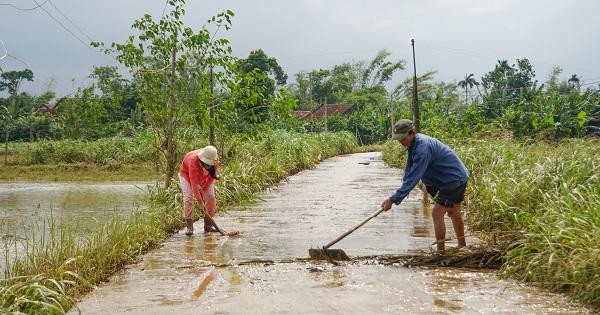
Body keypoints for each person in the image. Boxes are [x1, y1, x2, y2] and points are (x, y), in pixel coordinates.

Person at [381, 119, 469, 251]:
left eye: (402, 138)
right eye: (399, 139)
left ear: (412, 133)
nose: (400, 142)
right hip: (452, 178)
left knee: (437, 213)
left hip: (452, 180)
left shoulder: (422, 147)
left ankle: (440, 252)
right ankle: (462, 246)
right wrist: (401, 191)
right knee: (454, 213)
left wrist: (393, 199)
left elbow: (414, 176)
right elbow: (409, 170)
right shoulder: (413, 145)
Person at [179, 145, 220, 235]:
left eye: (210, 165)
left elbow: (211, 177)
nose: (207, 166)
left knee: (211, 197)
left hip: (204, 176)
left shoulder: (215, 160)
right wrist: (200, 202)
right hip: (186, 174)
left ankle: (208, 226)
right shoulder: (192, 160)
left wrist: (204, 188)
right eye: (205, 164)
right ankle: (189, 227)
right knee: (188, 198)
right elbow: (194, 184)